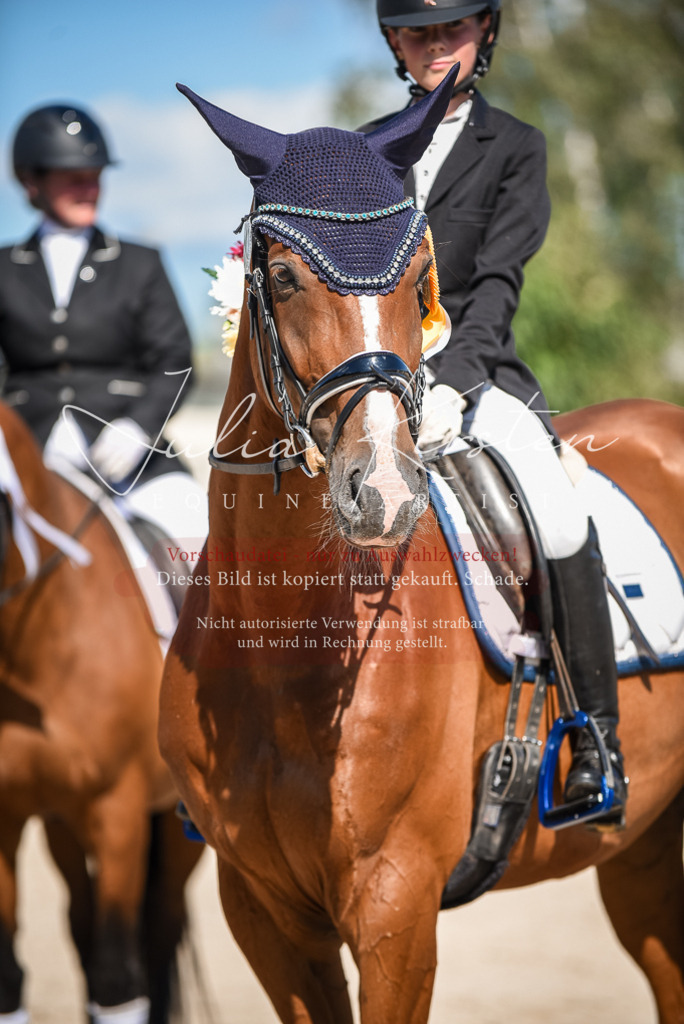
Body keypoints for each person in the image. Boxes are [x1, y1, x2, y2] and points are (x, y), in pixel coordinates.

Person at [370, 0, 626, 828]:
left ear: (485, 33)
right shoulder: (360, 152)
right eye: (416, 32)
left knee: (553, 510)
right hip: (373, 380)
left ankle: (594, 736)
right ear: (394, 44)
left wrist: (453, 381)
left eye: (451, 28)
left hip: (478, 380)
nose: (434, 45)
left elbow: (500, 284)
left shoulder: (515, 147)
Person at [0, 102, 207, 561]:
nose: (88, 185)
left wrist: (139, 427)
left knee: (194, 537)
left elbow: (174, 362)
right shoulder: (3, 268)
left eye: (94, 173)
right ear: (32, 181)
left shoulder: (140, 263)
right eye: (72, 175)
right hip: (25, 448)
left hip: (130, 452)